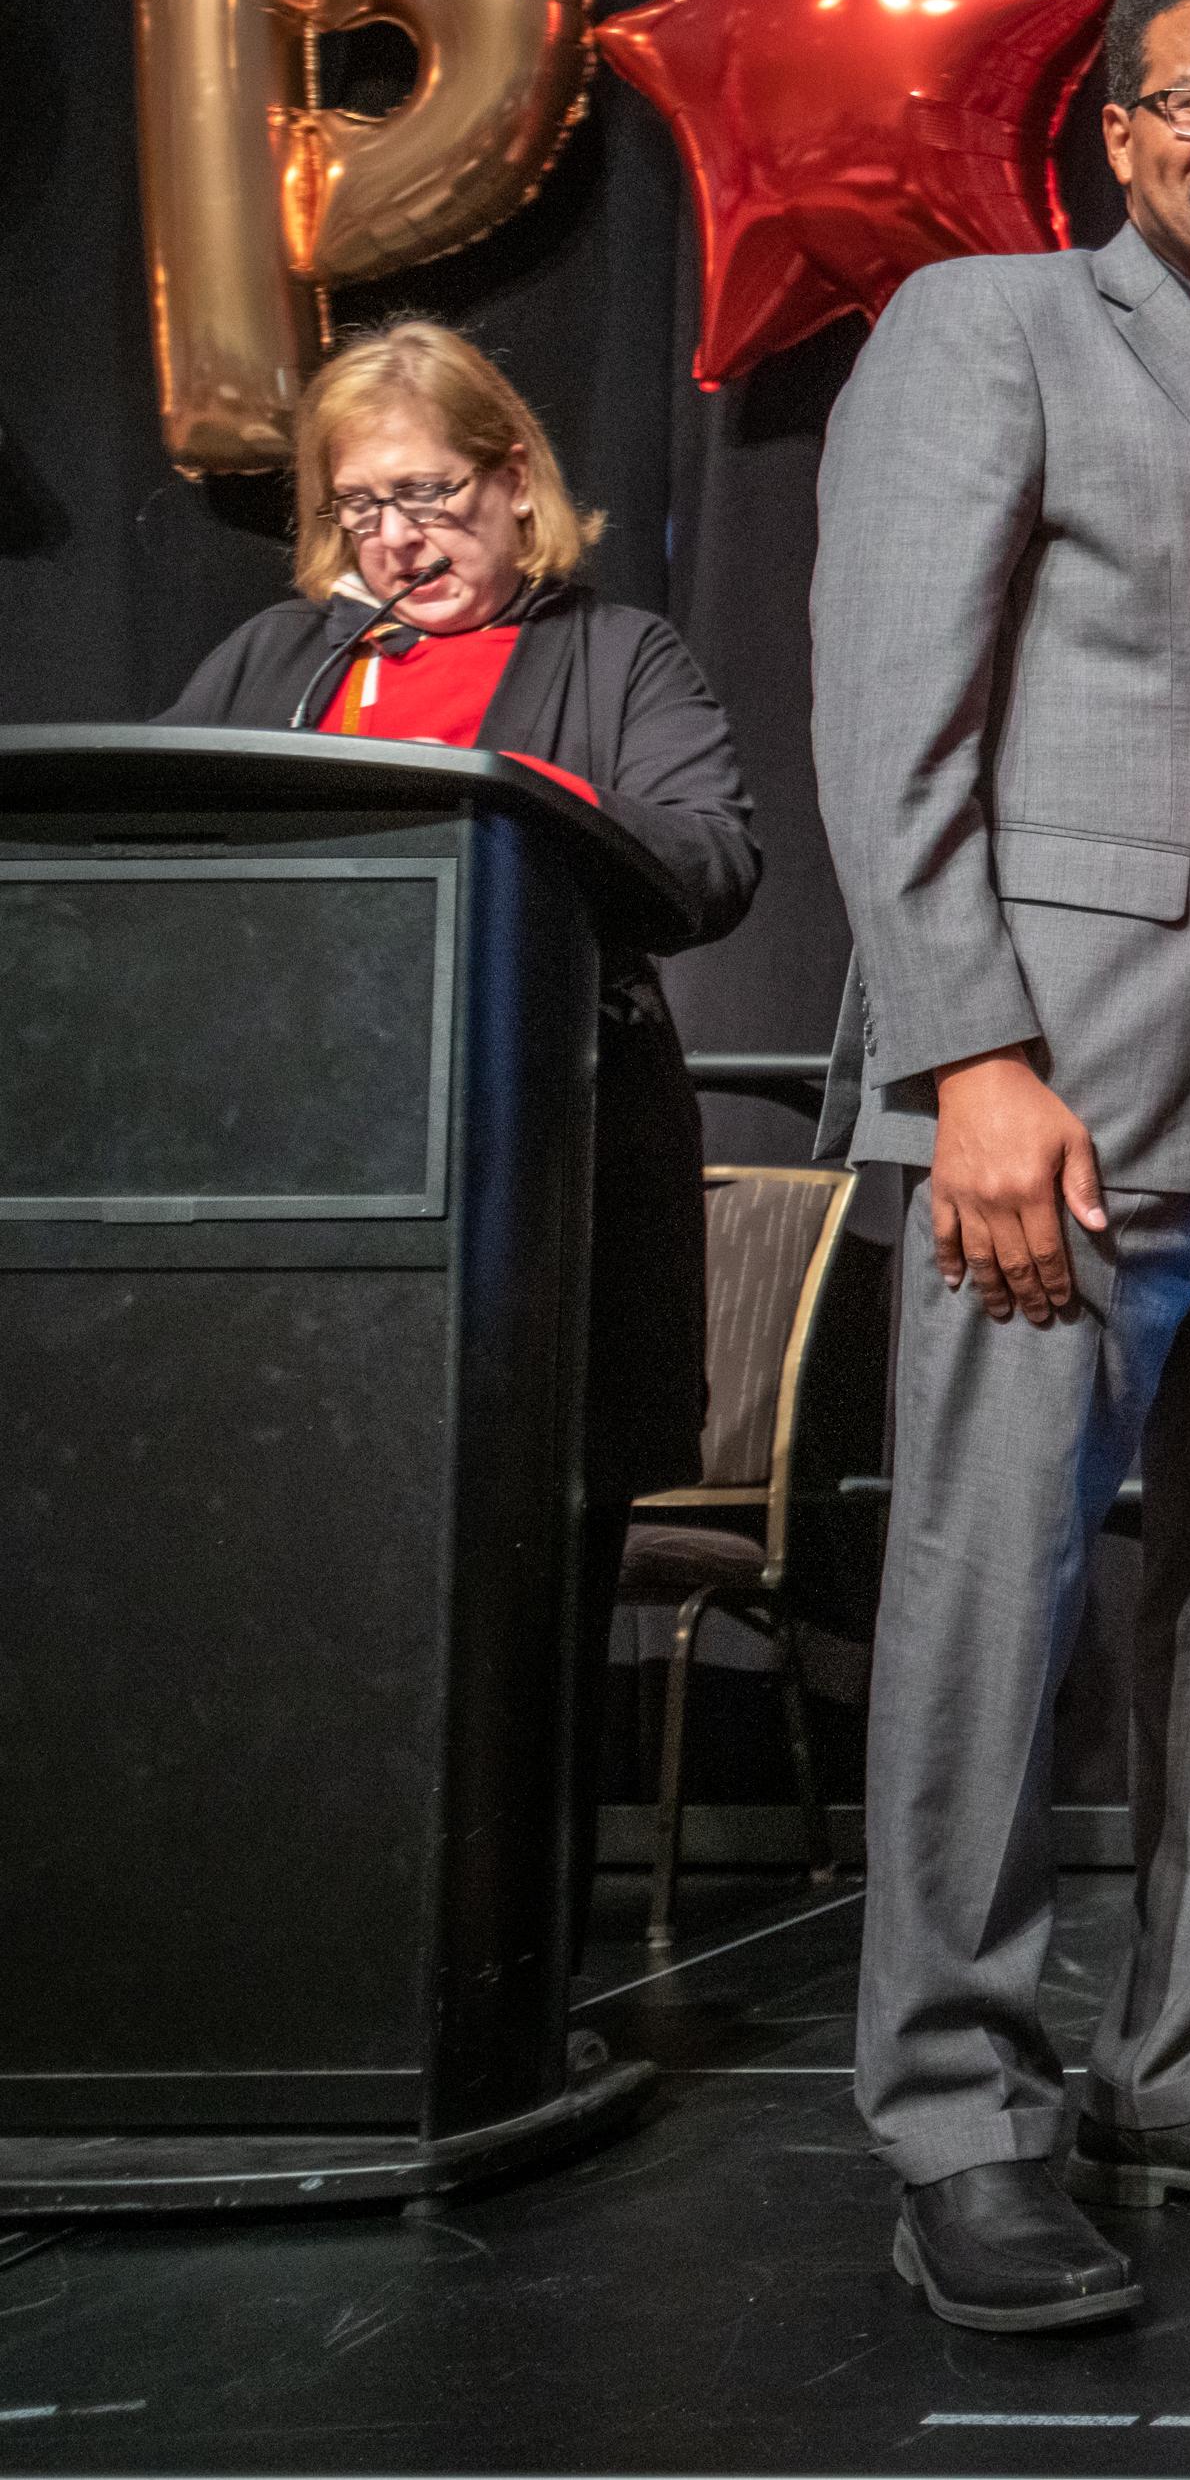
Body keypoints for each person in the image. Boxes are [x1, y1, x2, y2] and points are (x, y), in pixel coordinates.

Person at [811, 0, 1190, 2335]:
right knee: (987, 1605)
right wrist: (967, 1057)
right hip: (1044, 1103)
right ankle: (958, 2109)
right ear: (1124, 136)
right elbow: (890, 713)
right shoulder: (994, 328)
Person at [163, 316, 760, 1970]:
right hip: (293, 1202)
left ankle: (500, 1966)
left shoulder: (615, 653)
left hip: (526, 1188)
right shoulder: (284, 663)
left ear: (514, 485)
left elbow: (710, 860)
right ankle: (287, 1939)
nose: (397, 539)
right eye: (361, 507)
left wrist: (510, 799)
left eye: (428, 492)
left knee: (511, 1585)